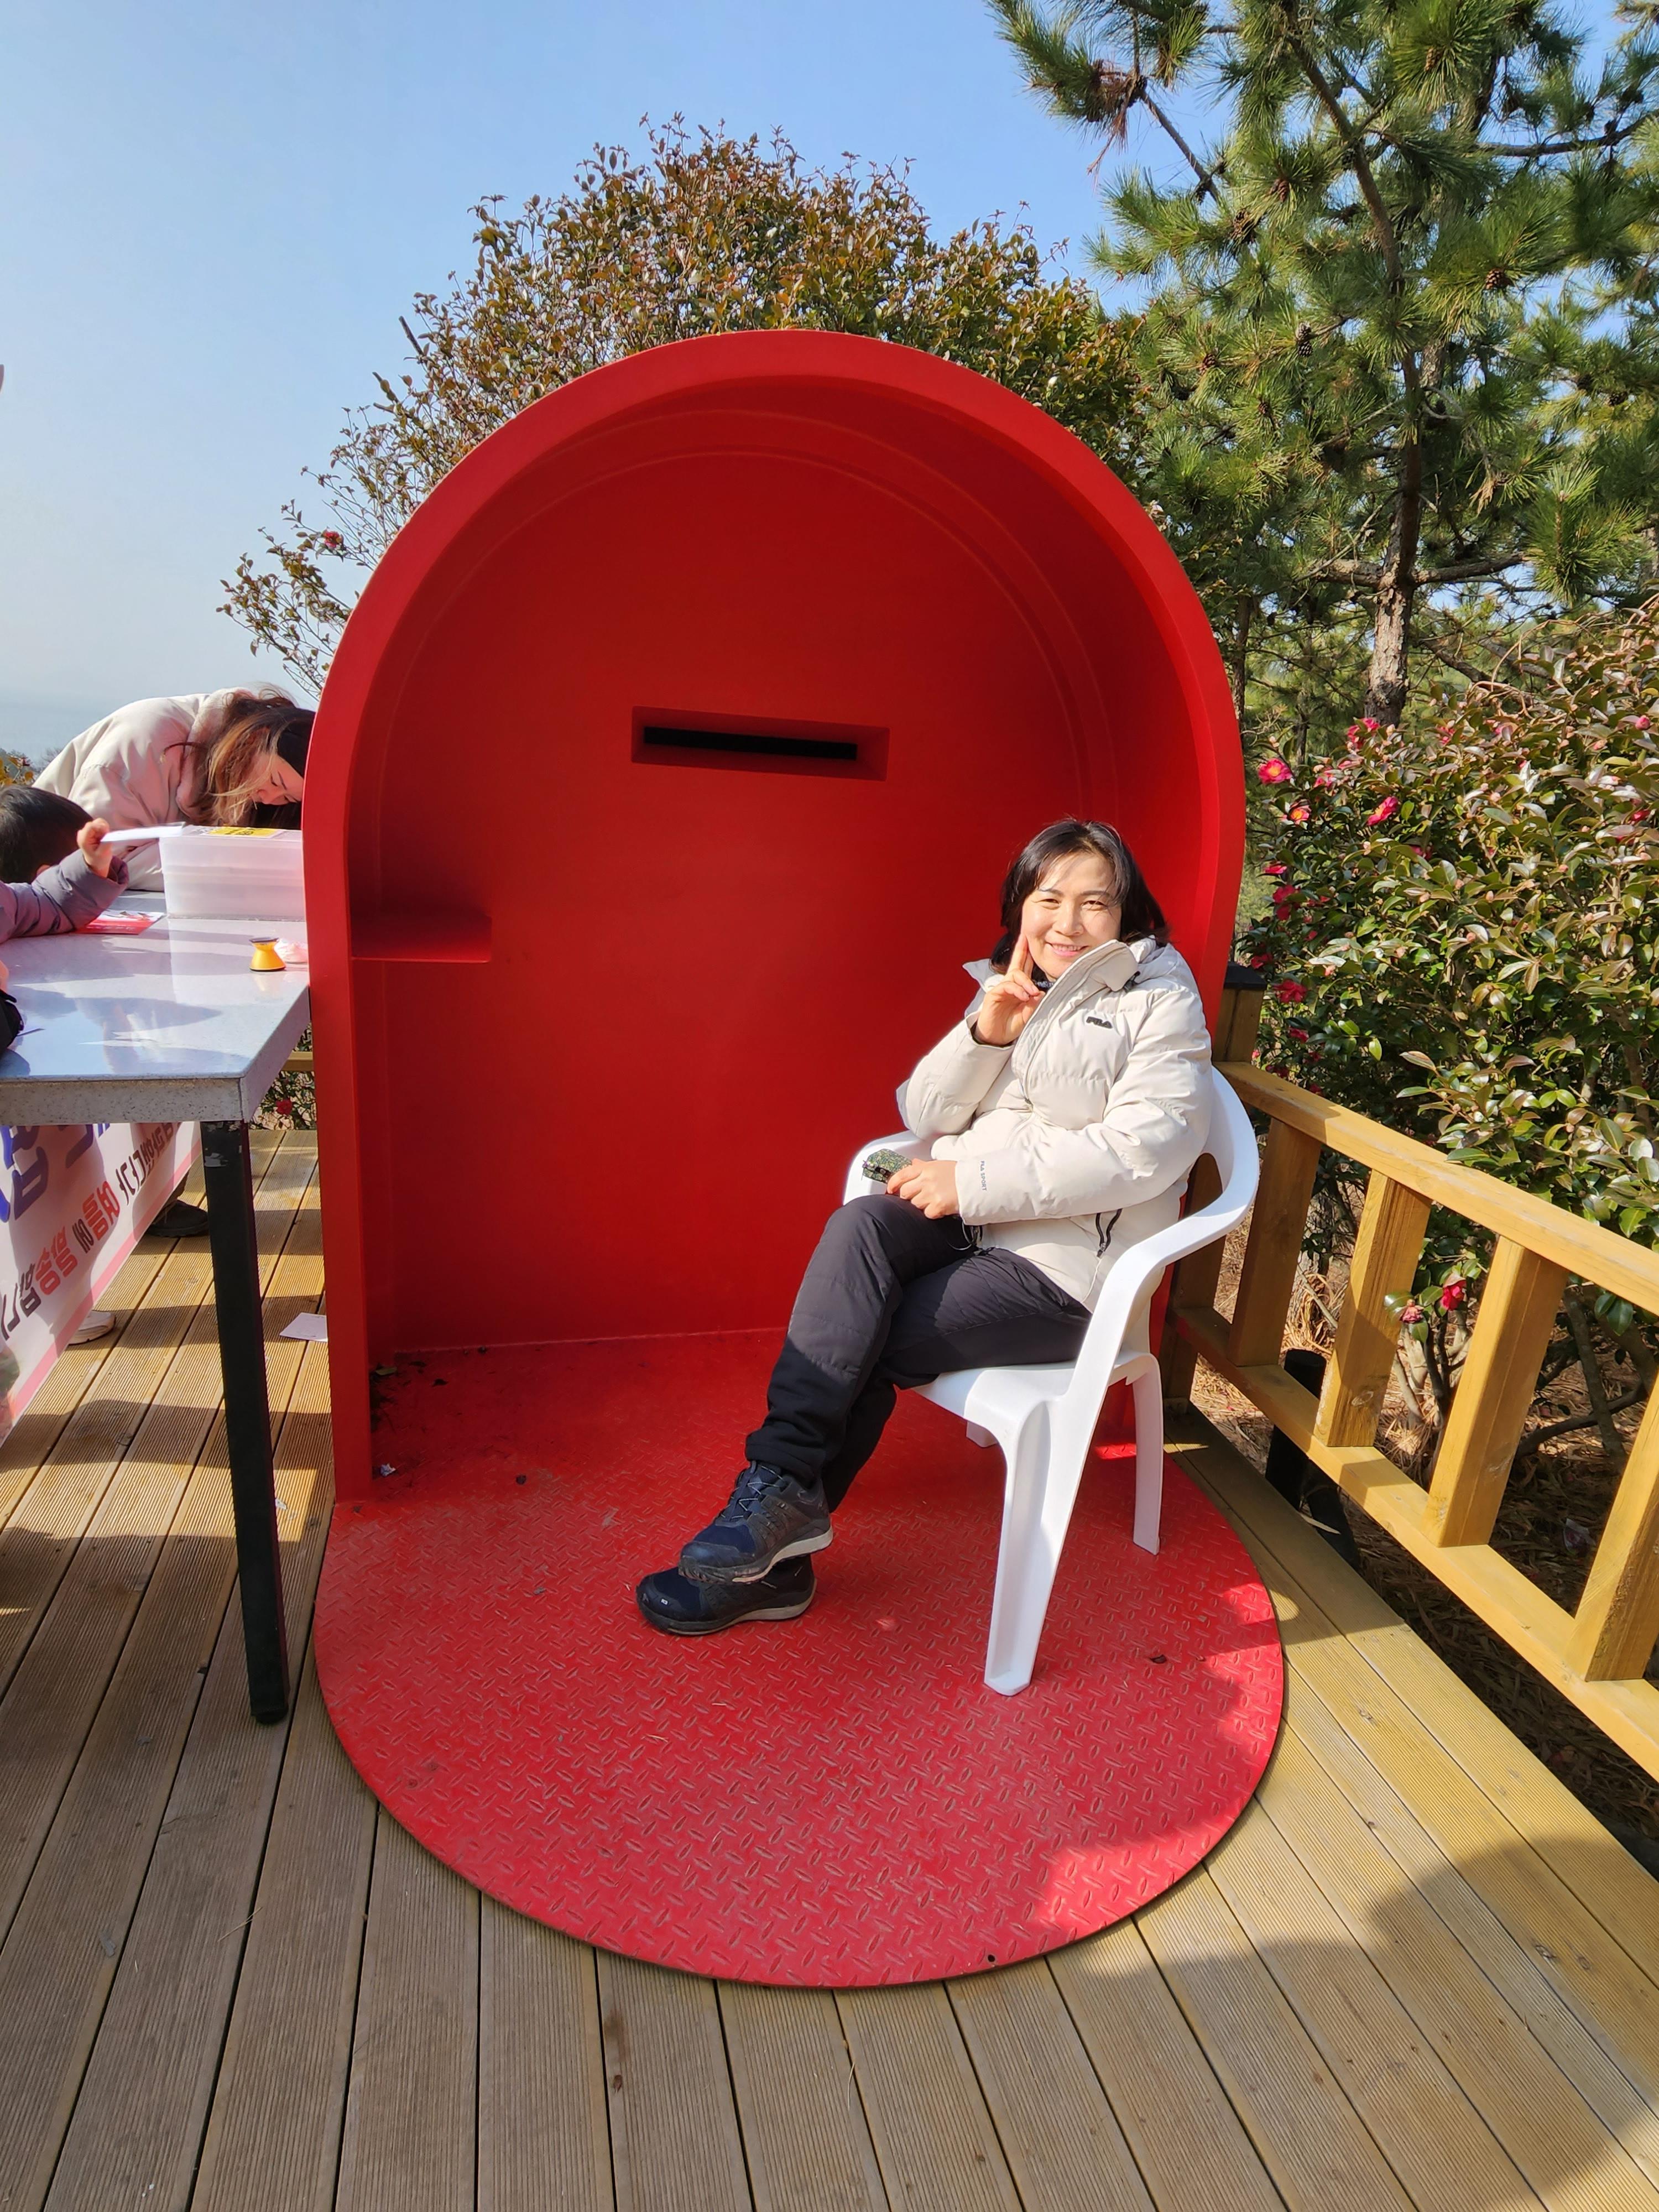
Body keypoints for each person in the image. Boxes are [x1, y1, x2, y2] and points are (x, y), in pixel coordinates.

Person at [636, 816, 1213, 1637]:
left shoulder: (1161, 1001)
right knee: (862, 1226)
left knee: (862, 1339)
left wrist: (969, 1182)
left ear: (1128, 914)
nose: (1068, 922)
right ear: (1021, 906)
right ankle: (780, 1490)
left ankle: (773, 1559)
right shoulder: (1018, 982)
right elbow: (923, 1111)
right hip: (977, 1225)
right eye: (1048, 899)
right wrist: (986, 1032)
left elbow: (1146, 1151)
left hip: (1064, 1272)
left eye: (1095, 903)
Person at [35, 689, 312, 892]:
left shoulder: (241, 772)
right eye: (275, 781)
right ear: (254, 738)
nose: (269, 798)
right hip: (36, 878)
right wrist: (226, 862)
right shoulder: (142, 744)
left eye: (287, 798)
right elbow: (100, 857)